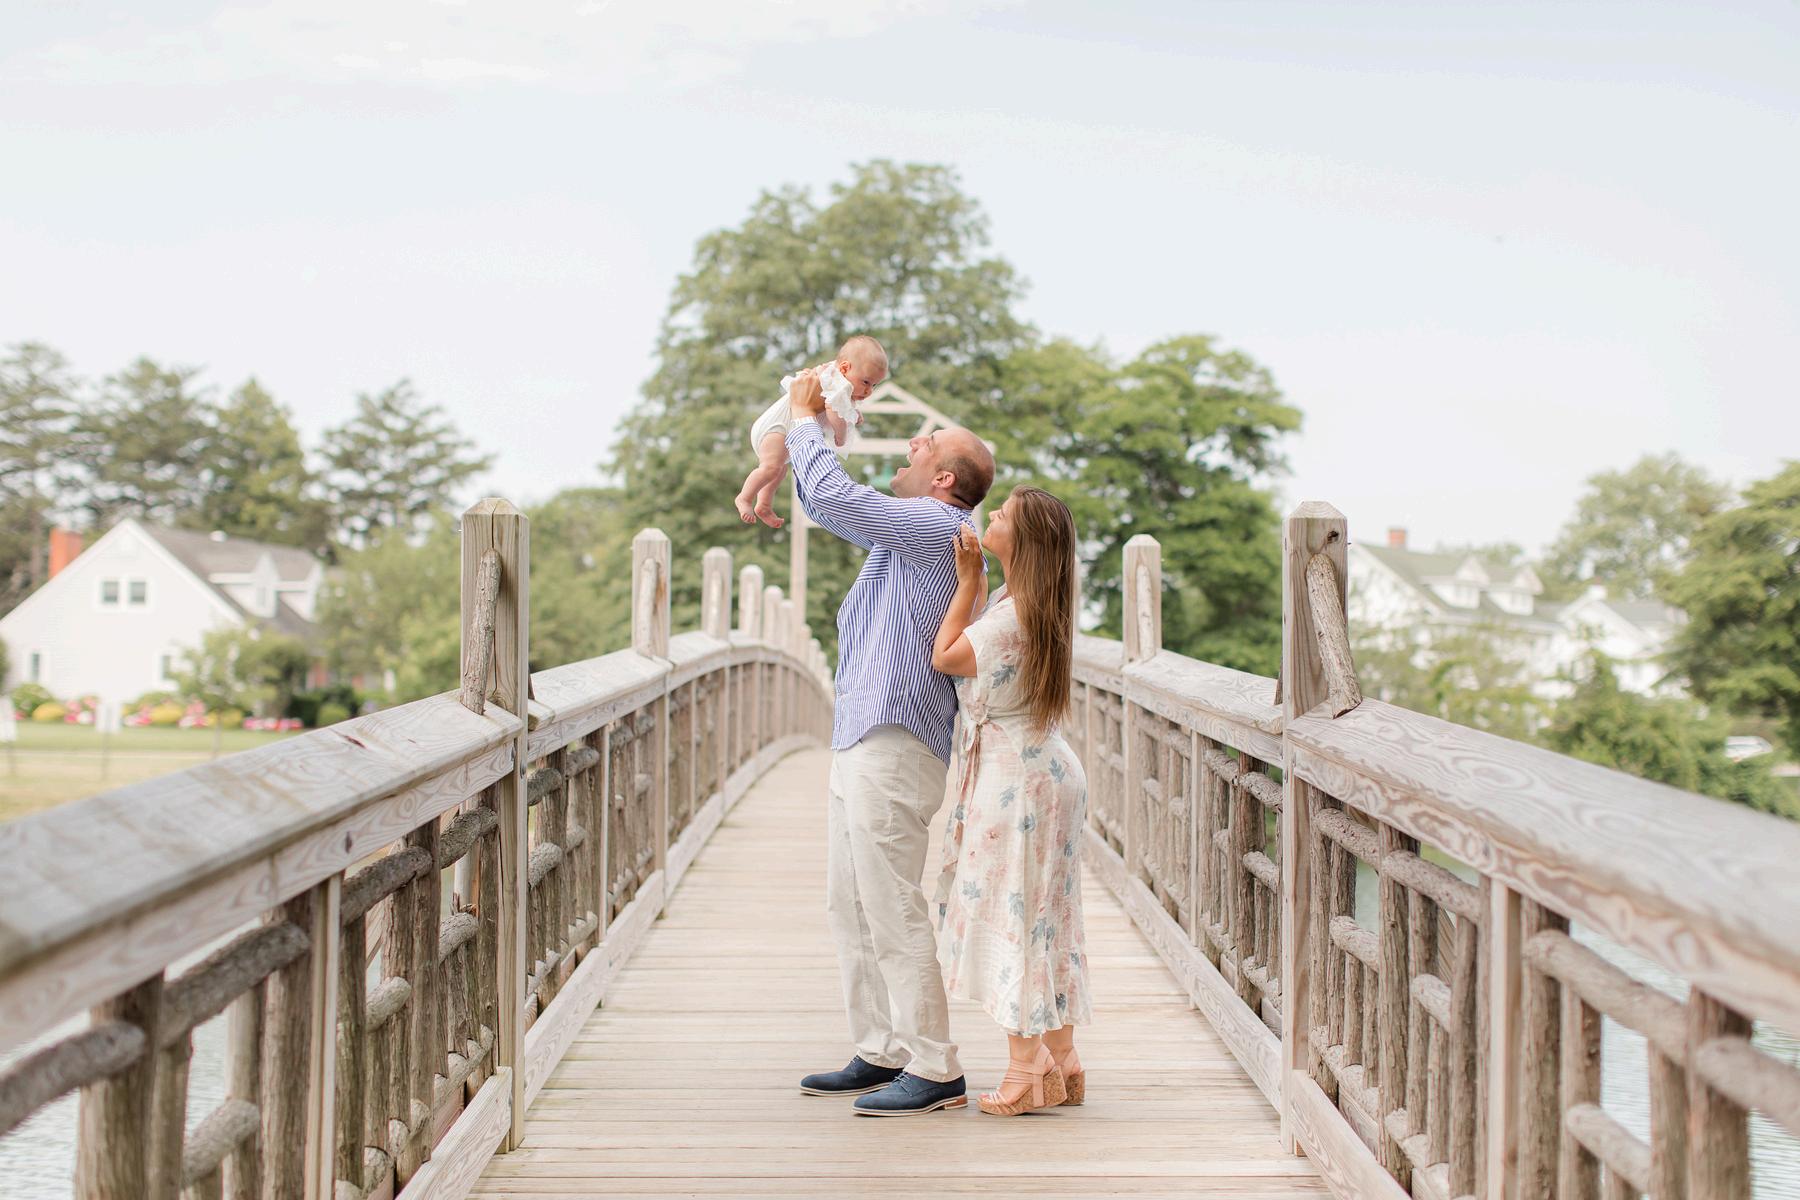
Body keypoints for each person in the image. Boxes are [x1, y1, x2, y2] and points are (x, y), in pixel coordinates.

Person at [784, 367, 999, 1117]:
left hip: (896, 738)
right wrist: (815, 431)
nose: (910, 443)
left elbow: (835, 499)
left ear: (943, 480)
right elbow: (821, 497)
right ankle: (881, 1047)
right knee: (848, 901)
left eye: (925, 442)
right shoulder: (908, 531)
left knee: (889, 899)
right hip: (861, 733)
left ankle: (935, 1064)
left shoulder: (937, 527)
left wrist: (804, 421)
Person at [931, 486, 1092, 1117]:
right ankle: (1064, 1060)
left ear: (1021, 543)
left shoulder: (1006, 614)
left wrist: (966, 580)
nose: (989, 516)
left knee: (1015, 911)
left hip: (1018, 780)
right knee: (1047, 913)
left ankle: (1026, 1069)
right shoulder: (1032, 604)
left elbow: (947, 657)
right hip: (1045, 769)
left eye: (1001, 516)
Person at [734, 335, 887, 527]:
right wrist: (841, 436)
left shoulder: (839, 382)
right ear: (845, 368)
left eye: (874, 385)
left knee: (778, 470)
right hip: (776, 427)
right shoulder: (836, 385)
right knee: (770, 468)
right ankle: (744, 498)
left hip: (784, 431)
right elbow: (833, 413)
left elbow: (839, 409)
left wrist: (852, 413)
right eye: (866, 382)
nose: (869, 391)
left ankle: (763, 504)